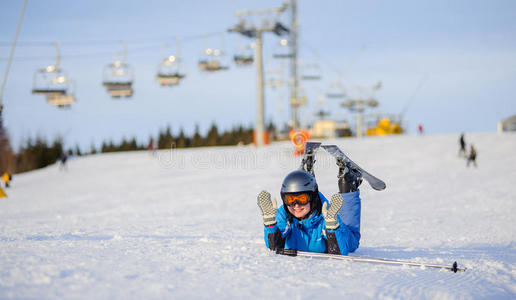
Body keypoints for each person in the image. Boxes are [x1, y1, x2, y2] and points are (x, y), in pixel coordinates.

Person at [257, 163, 363, 255]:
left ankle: (349, 184)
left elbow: (339, 252)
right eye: (290, 199)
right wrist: (270, 225)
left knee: (353, 241)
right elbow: (274, 247)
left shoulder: (328, 216)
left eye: (302, 199)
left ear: (311, 198)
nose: (296, 205)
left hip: (344, 236)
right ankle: (306, 174)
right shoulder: (284, 215)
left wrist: (332, 228)